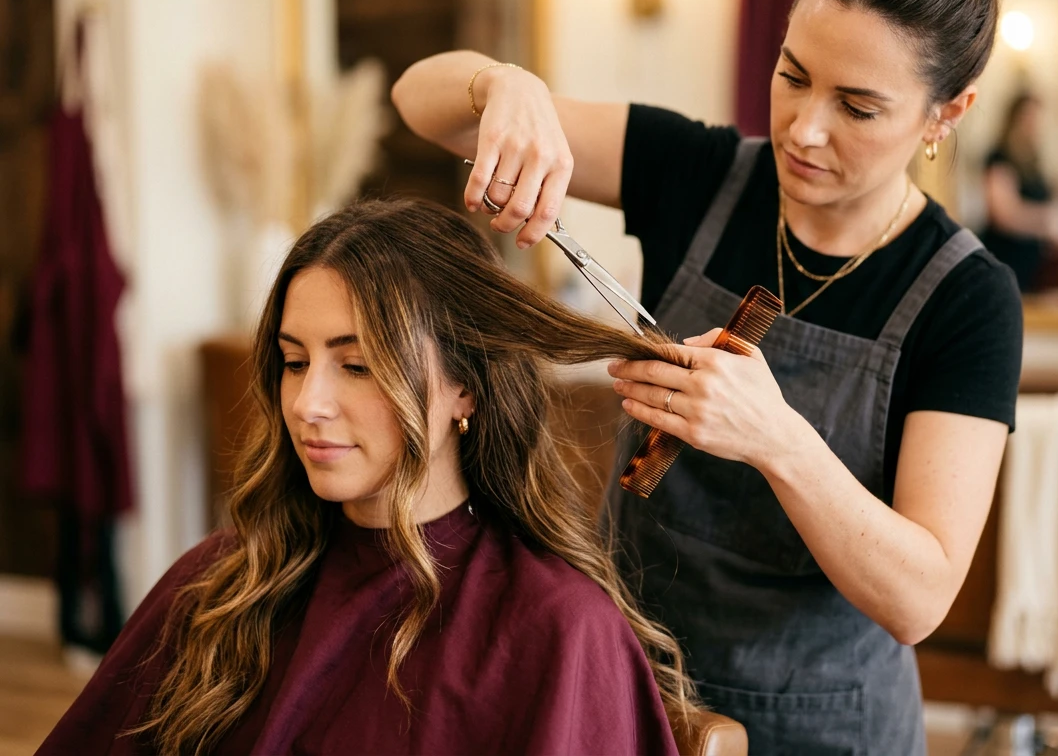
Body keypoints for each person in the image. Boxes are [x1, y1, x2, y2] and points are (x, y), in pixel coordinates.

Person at [394, 0, 1024, 754]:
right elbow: (419, 100)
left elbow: (919, 597)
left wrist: (775, 436)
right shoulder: (698, 172)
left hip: (829, 728)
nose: (803, 131)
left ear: (946, 114)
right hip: (633, 688)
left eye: (857, 107)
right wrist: (504, 88)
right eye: (792, 76)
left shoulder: (967, 297)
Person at [37, 199, 695, 756]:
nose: (307, 403)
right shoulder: (227, 582)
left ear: (465, 387)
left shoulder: (557, 628)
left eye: (356, 366)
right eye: (295, 363)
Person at [980, 92, 1058, 291]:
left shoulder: (1033, 161)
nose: (1034, 125)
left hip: (1033, 257)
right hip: (1007, 253)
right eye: (1029, 117)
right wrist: (1048, 221)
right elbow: (1004, 213)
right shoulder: (999, 156)